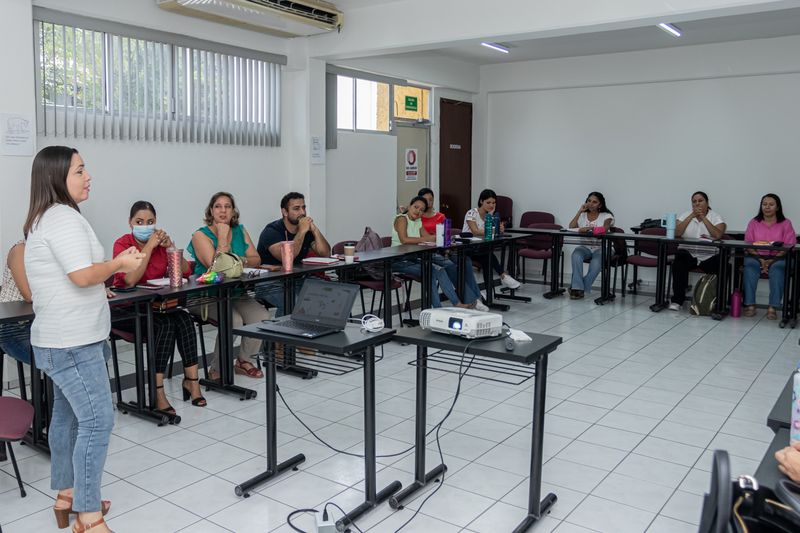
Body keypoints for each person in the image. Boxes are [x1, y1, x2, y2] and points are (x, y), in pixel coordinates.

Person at [24, 146, 145, 533]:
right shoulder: (62, 218)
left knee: (67, 417)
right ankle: (88, 516)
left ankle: (67, 493)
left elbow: (69, 279)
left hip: (59, 338)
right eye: (79, 170)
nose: (87, 176)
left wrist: (100, 284)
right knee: (97, 421)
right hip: (72, 342)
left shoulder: (48, 217)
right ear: (58, 177)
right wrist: (121, 264)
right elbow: (80, 275)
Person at [112, 201, 206, 410]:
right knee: (164, 326)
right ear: (130, 223)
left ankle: (192, 382)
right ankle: (157, 391)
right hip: (126, 310)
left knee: (183, 319)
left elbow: (185, 272)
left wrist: (170, 247)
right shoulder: (123, 244)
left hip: (155, 307)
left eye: (150, 222)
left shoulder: (160, 246)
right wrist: (148, 247)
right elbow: (129, 280)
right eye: (140, 221)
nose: (145, 226)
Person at [188, 191, 268, 379]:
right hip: (205, 296)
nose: (223, 211)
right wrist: (223, 237)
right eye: (218, 206)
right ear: (211, 211)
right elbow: (216, 267)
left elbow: (256, 259)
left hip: (236, 293)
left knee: (262, 316)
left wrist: (238, 261)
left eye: (227, 206)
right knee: (234, 320)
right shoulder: (200, 235)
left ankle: (243, 361)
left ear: (233, 211)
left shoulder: (240, 230)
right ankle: (217, 368)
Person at [394, 196, 483, 309]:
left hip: (413, 257)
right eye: (416, 207)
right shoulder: (402, 218)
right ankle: (441, 307)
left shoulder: (418, 221)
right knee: (431, 271)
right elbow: (404, 240)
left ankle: (451, 305)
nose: (418, 211)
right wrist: (427, 239)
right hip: (398, 260)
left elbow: (428, 237)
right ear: (409, 206)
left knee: (438, 270)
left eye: (421, 210)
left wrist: (440, 237)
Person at [255, 192, 331, 317]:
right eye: (296, 208)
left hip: (297, 279)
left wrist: (315, 229)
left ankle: (319, 333)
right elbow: (286, 258)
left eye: (304, 207)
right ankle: (279, 335)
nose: (302, 212)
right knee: (293, 303)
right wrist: (302, 231)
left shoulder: (306, 230)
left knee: (333, 293)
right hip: (269, 281)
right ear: (284, 212)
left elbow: (325, 253)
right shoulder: (272, 231)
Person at [668, 191, 727, 311]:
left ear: (707, 203)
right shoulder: (685, 215)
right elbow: (676, 233)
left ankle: (718, 302)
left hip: (709, 255)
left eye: (700, 201)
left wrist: (703, 218)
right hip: (689, 254)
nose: (697, 204)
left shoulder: (716, 217)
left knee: (723, 265)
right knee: (678, 262)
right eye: (694, 202)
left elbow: (717, 234)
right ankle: (677, 300)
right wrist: (691, 216)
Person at [742, 193, 797, 319]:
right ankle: (750, 305)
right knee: (749, 267)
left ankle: (773, 307)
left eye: (771, 204)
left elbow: (789, 245)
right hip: (756, 257)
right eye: (764, 204)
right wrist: (761, 259)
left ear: (777, 207)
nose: (767, 207)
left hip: (780, 258)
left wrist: (772, 261)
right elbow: (748, 244)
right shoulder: (754, 222)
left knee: (777, 270)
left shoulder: (786, 223)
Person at [461, 188, 521, 291]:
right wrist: (494, 230)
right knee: (487, 255)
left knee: (486, 256)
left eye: (494, 203)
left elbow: (495, 233)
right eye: (488, 202)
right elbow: (475, 231)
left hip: (480, 248)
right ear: (481, 201)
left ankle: (489, 293)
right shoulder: (471, 213)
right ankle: (503, 275)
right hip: (466, 248)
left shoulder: (491, 216)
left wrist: (500, 229)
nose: (491, 205)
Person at [568, 191, 614, 299]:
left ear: (600, 205)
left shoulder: (607, 215)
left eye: (594, 202)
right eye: (589, 201)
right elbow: (571, 227)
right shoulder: (583, 215)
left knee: (596, 262)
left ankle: (578, 289)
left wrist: (590, 228)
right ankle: (578, 288)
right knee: (576, 255)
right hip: (585, 247)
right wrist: (579, 211)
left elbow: (605, 228)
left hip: (603, 247)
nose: (591, 204)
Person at [0, 241, 32, 364]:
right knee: (57, 359)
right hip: (11, 326)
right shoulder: (21, 250)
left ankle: (45, 383)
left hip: (34, 321)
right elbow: (29, 295)